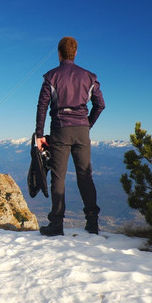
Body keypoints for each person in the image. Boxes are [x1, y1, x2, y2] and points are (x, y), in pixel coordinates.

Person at [35, 36, 105, 236]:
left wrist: (39, 134)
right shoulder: (89, 77)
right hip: (82, 131)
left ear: (59, 53)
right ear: (75, 53)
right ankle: (92, 223)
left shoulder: (51, 77)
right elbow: (100, 104)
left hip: (60, 131)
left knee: (58, 177)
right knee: (85, 176)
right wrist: (87, 124)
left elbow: (42, 107)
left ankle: (56, 224)